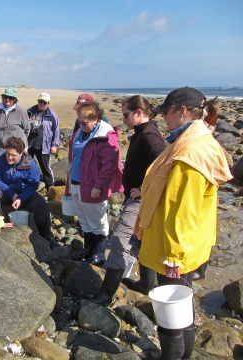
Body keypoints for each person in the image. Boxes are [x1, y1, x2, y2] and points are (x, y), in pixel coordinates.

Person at [132, 87, 232, 360]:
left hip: (174, 249)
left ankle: (173, 357)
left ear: (183, 111)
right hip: (185, 244)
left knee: (171, 310)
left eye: (167, 113)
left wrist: (173, 256)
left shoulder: (191, 153)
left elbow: (183, 211)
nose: (164, 118)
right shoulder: (192, 143)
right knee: (182, 305)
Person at [85, 95, 165, 306]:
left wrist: (144, 190)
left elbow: (164, 163)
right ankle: (147, 284)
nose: (124, 120)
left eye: (126, 115)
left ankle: (106, 293)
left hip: (140, 201)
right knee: (144, 241)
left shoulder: (149, 134)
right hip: (141, 199)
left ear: (139, 112)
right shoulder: (142, 132)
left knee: (120, 241)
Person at [66, 101, 122, 266]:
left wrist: (99, 186)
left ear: (96, 119)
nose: (81, 125)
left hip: (93, 185)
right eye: (79, 121)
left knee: (97, 220)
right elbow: (73, 158)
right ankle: (87, 249)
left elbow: (109, 165)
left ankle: (99, 253)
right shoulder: (79, 133)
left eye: (85, 122)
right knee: (83, 217)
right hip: (76, 182)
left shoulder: (104, 136)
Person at [0, 137, 57, 247]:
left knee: (41, 202)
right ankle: (0, 222)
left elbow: (33, 183)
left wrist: (21, 198)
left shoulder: (29, 162)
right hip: (6, 193)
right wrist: (12, 194)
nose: (9, 157)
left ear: (21, 153)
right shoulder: (0, 161)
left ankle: (46, 235)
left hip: (24, 194)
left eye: (13, 155)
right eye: (8, 153)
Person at [26, 93, 61, 191]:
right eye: (40, 101)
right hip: (29, 144)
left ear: (48, 103)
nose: (42, 104)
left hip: (44, 145)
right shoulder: (29, 111)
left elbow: (57, 130)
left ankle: (50, 185)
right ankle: (28, 183)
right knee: (26, 165)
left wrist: (54, 145)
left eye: (44, 102)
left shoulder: (52, 115)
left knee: (45, 166)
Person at [0, 87, 30, 159]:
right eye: (6, 97)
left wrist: (18, 143)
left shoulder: (21, 111)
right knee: (1, 169)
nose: (7, 99)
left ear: (15, 99)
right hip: (0, 148)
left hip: (16, 149)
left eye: (10, 97)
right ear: (3, 97)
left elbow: (27, 129)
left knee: (17, 169)